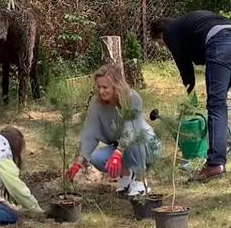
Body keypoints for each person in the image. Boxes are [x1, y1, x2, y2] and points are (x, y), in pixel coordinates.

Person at [150, 11, 231, 181]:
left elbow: (185, 67)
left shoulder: (170, 32)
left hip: (222, 42)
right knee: (218, 103)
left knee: (216, 105)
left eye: (161, 43)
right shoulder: (186, 25)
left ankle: (215, 164)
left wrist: (189, 97)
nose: (164, 46)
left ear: (161, 34)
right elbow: (198, 55)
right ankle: (217, 152)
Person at [66, 63, 161, 198]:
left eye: (105, 87)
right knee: (96, 157)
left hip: (147, 146)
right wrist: (78, 162)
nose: (101, 91)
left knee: (133, 137)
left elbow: (131, 129)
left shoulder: (132, 98)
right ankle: (127, 178)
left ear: (116, 86)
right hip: (122, 148)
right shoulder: (97, 104)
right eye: (99, 87)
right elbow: (89, 133)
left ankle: (140, 180)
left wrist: (118, 153)